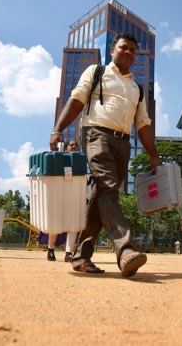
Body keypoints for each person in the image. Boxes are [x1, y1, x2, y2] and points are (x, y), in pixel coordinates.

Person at [50, 32, 160, 277]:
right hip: (96, 134)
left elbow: (143, 124)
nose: (128, 52)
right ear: (113, 50)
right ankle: (126, 249)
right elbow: (77, 100)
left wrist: (153, 155)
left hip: (123, 143)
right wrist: (58, 129)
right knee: (108, 186)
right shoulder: (96, 72)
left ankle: (80, 256)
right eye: (124, 47)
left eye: (133, 49)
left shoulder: (137, 89)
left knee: (103, 193)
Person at [46, 140, 80, 262]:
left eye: (76, 144)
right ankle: (50, 249)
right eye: (71, 144)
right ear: (65, 148)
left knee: (73, 226)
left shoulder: (81, 161)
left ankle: (68, 253)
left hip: (75, 195)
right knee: (56, 225)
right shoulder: (59, 159)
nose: (75, 146)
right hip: (59, 195)